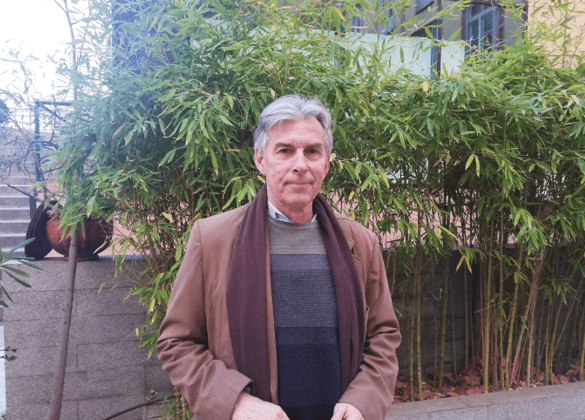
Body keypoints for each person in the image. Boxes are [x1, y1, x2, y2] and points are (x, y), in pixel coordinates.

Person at [156, 95, 401, 420]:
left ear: (326, 164)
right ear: (260, 160)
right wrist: (235, 403)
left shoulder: (359, 242)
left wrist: (362, 401)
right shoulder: (213, 239)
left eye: (312, 151)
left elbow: (383, 336)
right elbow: (178, 342)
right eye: (285, 150)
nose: (300, 164)